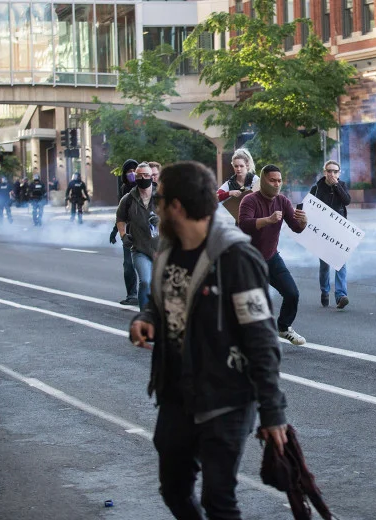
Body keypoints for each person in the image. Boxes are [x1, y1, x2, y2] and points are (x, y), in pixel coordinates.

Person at [129, 161, 287, 520]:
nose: (155, 206)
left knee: (219, 501)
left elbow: (262, 339)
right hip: (176, 394)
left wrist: (273, 413)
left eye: (160, 199)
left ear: (176, 207)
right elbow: (162, 302)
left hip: (226, 397)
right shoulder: (168, 248)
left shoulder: (236, 258)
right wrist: (146, 319)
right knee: (174, 490)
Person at [238, 164, 308, 345]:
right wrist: (268, 220)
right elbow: (244, 224)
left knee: (292, 293)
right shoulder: (250, 200)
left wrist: (303, 222)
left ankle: (284, 328)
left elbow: (296, 227)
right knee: (254, 303)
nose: (277, 184)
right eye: (272, 180)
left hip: (271, 256)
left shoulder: (283, 201)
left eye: (279, 181)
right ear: (263, 181)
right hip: (249, 260)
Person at [116, 162, 158, 311]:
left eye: (146, 175)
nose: (143, 178)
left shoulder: (163, 197)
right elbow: (120, 218)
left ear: (152, 177)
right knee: (145, 281)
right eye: (139, 176)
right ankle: (145, 314)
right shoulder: (128, 199)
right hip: (140, 249)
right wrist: (123, 235)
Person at [310, 160, 351, 309]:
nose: (332, 174)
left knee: (341, 262)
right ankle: (325, 291)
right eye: (329, 171)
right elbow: (308, 207)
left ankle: (341, 296)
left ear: (339, 173)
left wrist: (336, 185)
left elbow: (346, 201)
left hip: (339, 230)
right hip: (322, 231)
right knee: (325, 265)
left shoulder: (342, 185)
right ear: (324, 172)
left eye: (335, 171)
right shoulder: (317, 187)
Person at [111, 159, 139, 306]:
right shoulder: (124, 190)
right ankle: (132, 295)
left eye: (134, 170)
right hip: (129, 232)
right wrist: (115, 230)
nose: (132, 173)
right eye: (129, 171)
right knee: (128, 265)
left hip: (145, 232)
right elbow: (121, 214)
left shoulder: (146, 187)